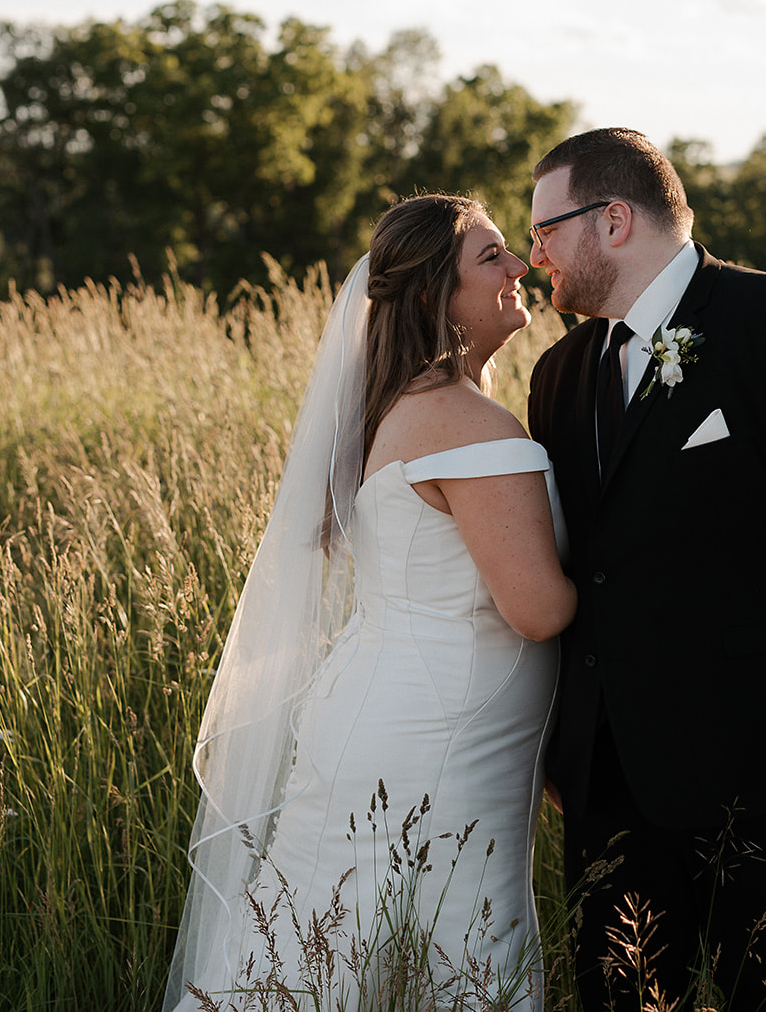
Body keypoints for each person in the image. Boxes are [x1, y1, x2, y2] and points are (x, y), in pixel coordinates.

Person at [525, 129, 766, 1010]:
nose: (531, 253)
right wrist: (566, 742)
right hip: (611, 779)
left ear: (613, 219)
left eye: (546, 229)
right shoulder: (559, 373)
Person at [165, 194, 576, 1012]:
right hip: (440, 738)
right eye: (491, 256)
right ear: (433, 296)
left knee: (331, 946)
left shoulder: (397, 409)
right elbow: (539, 610)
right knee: (445, 945)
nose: (518, 267)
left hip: (377, 715)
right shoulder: (470, 426)